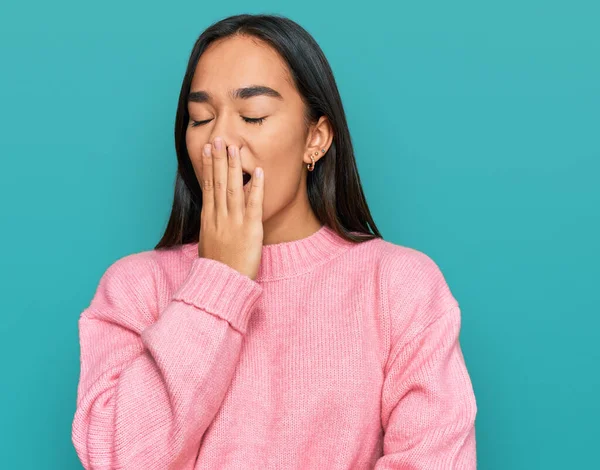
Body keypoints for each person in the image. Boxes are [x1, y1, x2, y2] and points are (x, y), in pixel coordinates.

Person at [71, 13, 477, 469]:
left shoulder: (401, 288)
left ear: (316, 138)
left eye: (253, 115)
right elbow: (114, 458)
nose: (219, 139)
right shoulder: (134, 289)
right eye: (200, 118)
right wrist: (217, 281)